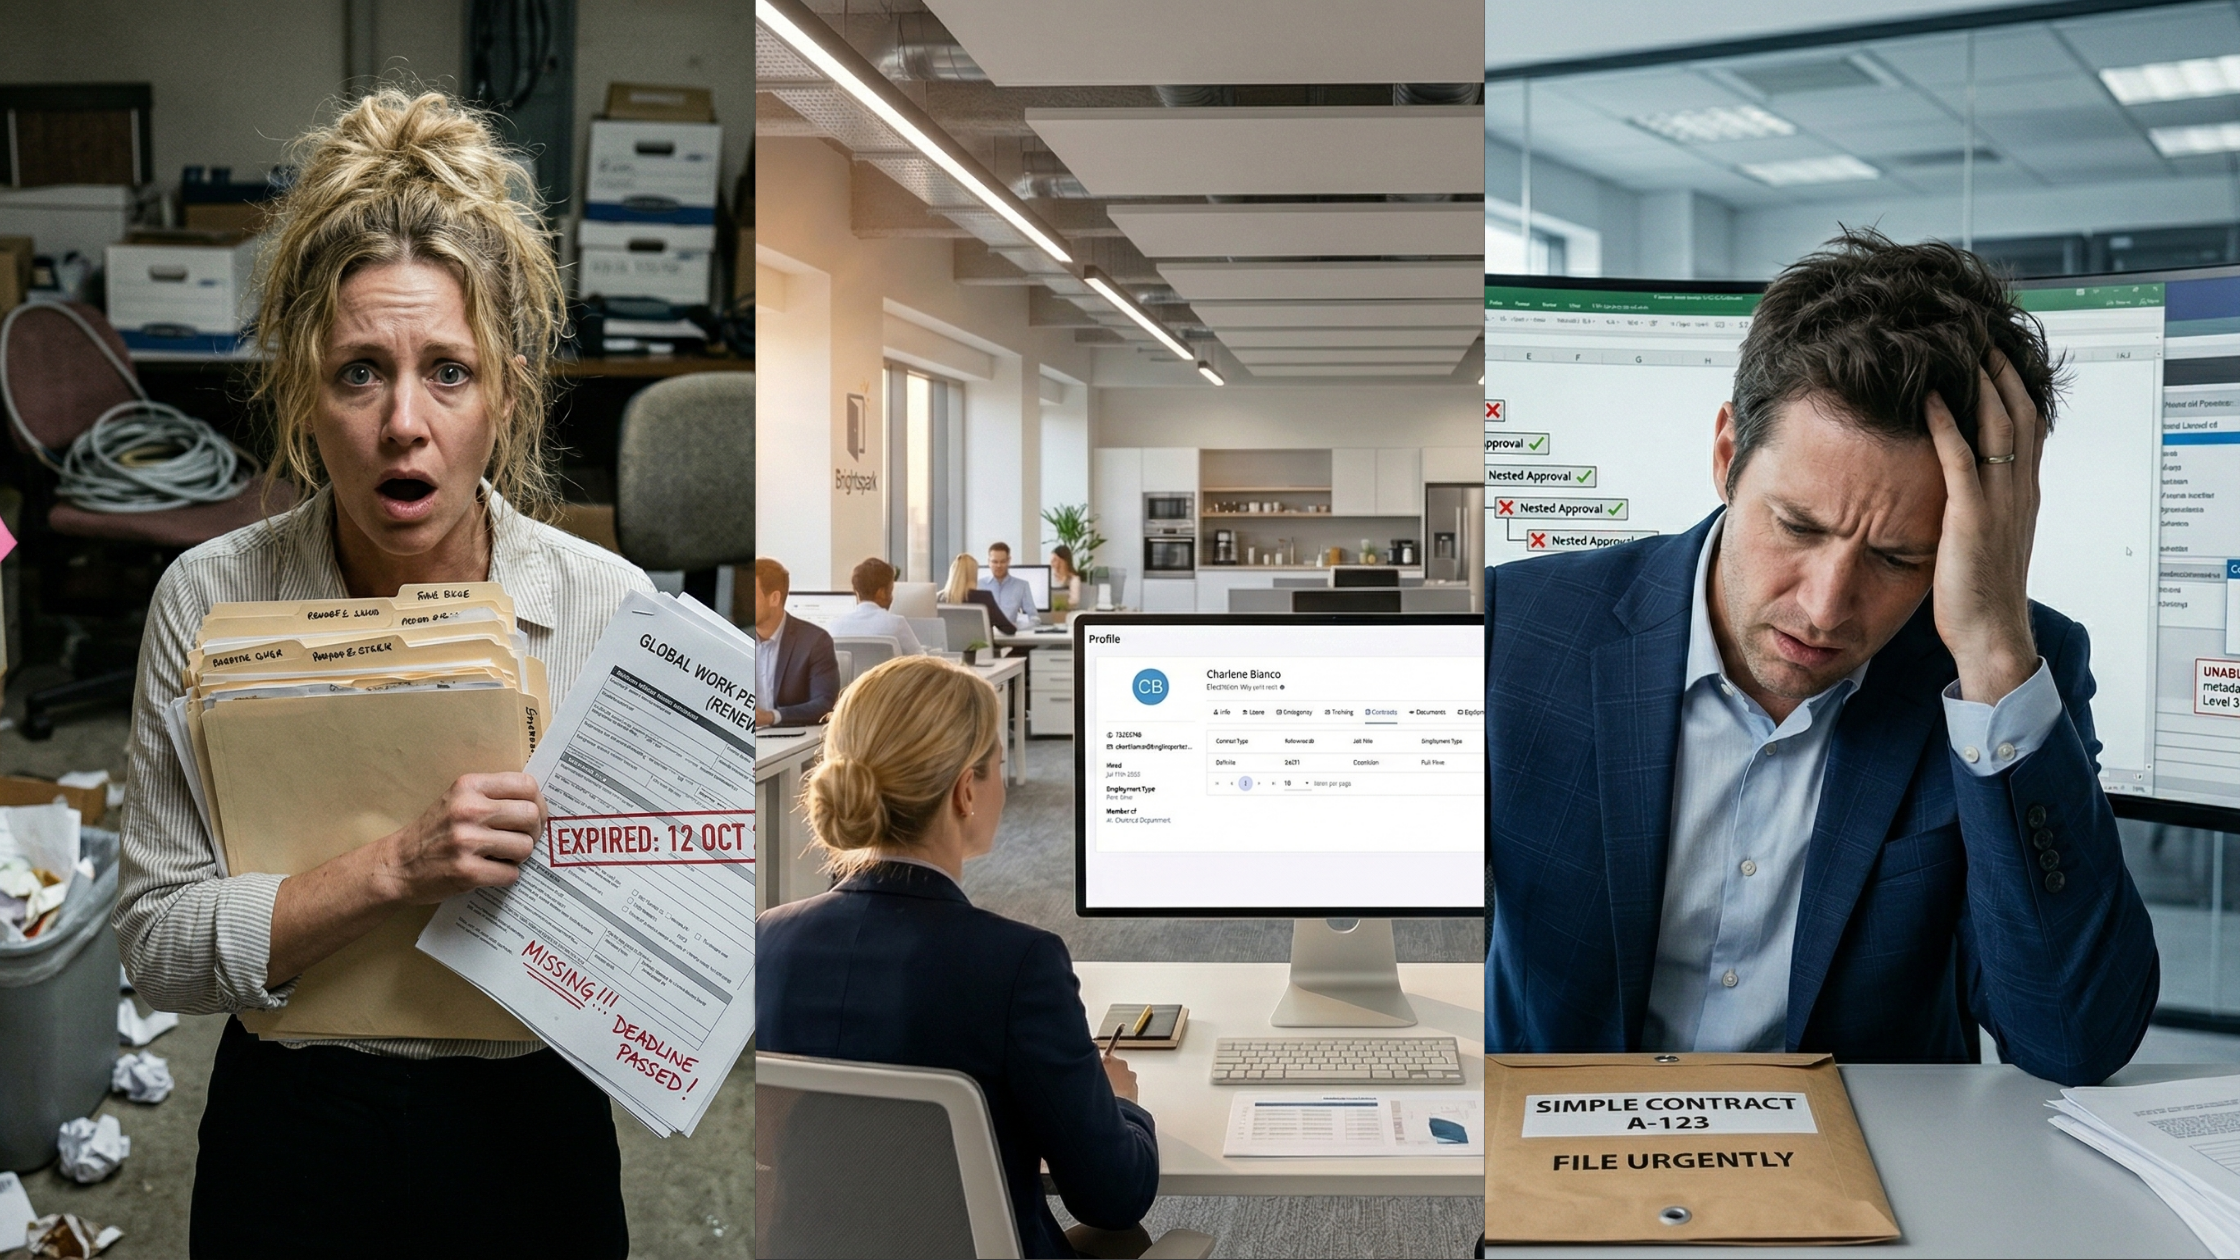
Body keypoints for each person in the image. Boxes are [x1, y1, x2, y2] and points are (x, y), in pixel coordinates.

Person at [113, 89, 648, 1257]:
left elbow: (668, 949)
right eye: (360, 372)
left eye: (446, 373)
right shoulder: (208, 601)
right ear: (308, 389)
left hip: (531, 1122)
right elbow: (153, 939)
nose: (404, 421)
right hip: (298, 1119)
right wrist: (395, 868)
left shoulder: (609, 607)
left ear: (504, 391)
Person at [1485, 229, 2158, 1087]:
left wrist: (1992, 653)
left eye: (1898, 556)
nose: (1825, 607)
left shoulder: (2015, 667)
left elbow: (2076, 1042)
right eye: (1798, 527)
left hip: (1877, 1170)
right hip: (1569, 1149)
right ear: (1728, 456)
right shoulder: (1522, 627)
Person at [759, 656, 1160, 1259]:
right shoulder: (1018, 965)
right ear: (966, 791)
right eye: (997, 764)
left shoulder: (769, 940)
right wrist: (1120, 1103)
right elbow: (1114, 1194)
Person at [754, 557, 841, 727]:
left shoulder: (815, 641)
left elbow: (824, 705)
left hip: (791, 738)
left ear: (774, 598)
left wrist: (771, 717)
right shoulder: (736, 636)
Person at [827, 556, 925, 656]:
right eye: (890, 591)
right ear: (881, 593)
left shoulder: (834, 627)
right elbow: (921, 662)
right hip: (886, 672)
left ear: (857, 591)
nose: (892, 597)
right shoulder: (896, 624)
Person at [941, 552, 1015, 637]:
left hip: (947, 650)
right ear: (973, 574)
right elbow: (1009, 630)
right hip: (980, 649)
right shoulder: (984, 598)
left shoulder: (938, 598)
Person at [982, 540, 1039, 628]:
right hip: (984, 637)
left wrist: (1017, 627)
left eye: (1002, 561)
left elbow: (1035, 618)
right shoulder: (979, 585)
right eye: (994, 562)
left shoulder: (1022, 586)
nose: (999, 565)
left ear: (1009, 560)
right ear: (988, 562)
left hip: (1010, 636)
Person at [1049, 544, 1086, 612]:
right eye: (1051, 560)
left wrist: (1058, 604)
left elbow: (1074, 601)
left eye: (1055, 560)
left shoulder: (1074, 580)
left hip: (1068, 613)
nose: (1052, 563)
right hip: (1052, 612)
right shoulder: (1050, 577)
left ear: (1063, 562)